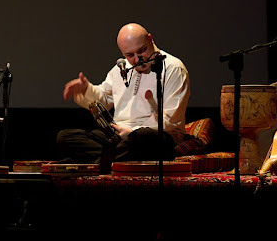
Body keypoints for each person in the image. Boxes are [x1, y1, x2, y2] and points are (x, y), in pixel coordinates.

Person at [57, 23, 190, 172]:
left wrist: (132, 131)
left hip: (155, 136)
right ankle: (113, 160)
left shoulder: (173, 68)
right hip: (120, 137)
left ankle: (99, 164)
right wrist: (86, 89)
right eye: (130, 55)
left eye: (142, 51)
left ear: (150, 40)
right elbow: (104, 100)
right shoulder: (122, 68)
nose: (137, 59)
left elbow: (171, 121)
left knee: (142, 136)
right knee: (66, 137)